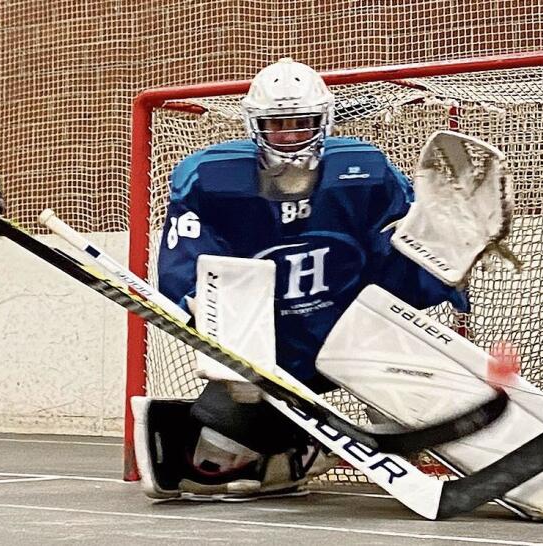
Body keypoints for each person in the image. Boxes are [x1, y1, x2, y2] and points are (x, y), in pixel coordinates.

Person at [136, 57, 470, 500]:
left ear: (325, 121)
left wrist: (449, 258)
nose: (291, 137)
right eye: (278, 125)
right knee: (208, 465)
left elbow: (402, 266)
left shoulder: (366, 172)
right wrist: (205, 314)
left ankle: (526, 471)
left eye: (302, 123)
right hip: (269, 357)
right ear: (256, 126)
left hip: (354, 341)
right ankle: (301, 452)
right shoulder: (210, 179)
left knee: (438, 420)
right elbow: (185, 267)